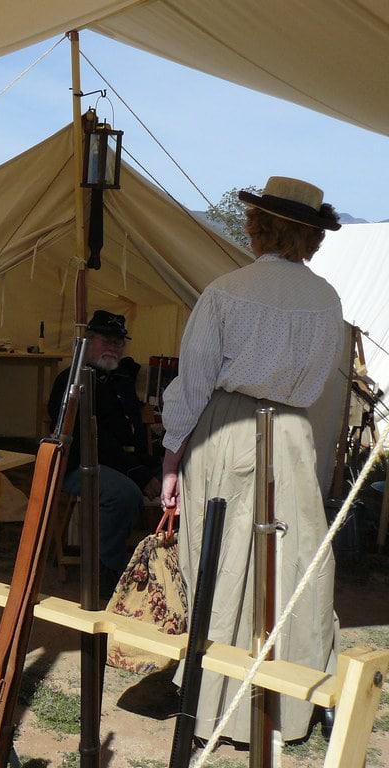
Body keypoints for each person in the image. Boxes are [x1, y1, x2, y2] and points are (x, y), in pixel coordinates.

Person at [160, 176, 342, 743]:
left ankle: (211, 703)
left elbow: (193, 384)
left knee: (217, 556)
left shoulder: (227, 291)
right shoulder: (328, 299)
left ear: (261, 227)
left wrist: (170, 458)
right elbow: (316, 382)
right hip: (291, 433)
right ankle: (283, 703)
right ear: (310, 238)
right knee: (290, 561)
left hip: (227, 429)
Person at [49, 310, 160, 596]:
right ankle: (106, 571)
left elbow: (131, 437)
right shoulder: (71, 380)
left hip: (121, 463)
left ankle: (162, 567)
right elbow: (90, 441)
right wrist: (139, 474)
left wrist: (151, 468)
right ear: (88, 341)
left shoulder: (120, 381)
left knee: (179, 478)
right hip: (77, 465)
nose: (113, 347)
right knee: (123, 494)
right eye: (106, 340)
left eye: (118, 342)